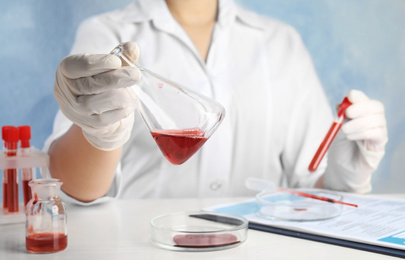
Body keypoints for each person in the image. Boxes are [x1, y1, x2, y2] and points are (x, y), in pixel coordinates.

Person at [45, 0, 388, 205]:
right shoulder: (107, 33)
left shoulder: (281, 43)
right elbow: (72, 189)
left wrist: (344, 180)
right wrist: (100, 134)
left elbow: (310, 185)